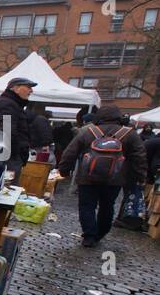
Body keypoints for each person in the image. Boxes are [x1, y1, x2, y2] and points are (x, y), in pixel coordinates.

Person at [57, 104, 147, 247]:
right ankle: (100, 233)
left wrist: (64, 170)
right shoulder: (129, 134)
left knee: (87, 206)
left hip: (87, 177)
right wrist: (140, 176)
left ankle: (89, 235)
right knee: (107, 206)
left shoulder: (88, 132)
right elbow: (139, 157)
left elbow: (70, 152)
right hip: (115, 179)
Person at [0, 76, 35, 182]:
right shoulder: (7, 104)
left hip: (8, 157)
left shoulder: (11, 104)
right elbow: (6, 133)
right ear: (15, 88)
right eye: (28, 87)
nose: (31, 90)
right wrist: (17, 152)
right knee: (6, 191)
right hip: (8, 159)